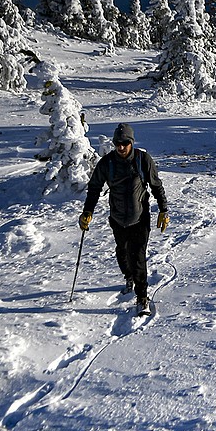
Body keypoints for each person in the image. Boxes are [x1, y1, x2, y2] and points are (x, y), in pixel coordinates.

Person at [79, 123, 169, 314]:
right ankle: (129, 276)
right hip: (118, 217)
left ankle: (142, 297)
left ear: (132, 143)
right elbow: (94, 188)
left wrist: (163, 209)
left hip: (140, 217)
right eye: (117, 143)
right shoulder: (107, 163)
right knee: (123, 251)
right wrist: (88, 211)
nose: (121, 147)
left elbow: (156, 185)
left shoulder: (142, 159)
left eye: (125, 143)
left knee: (137, 256)